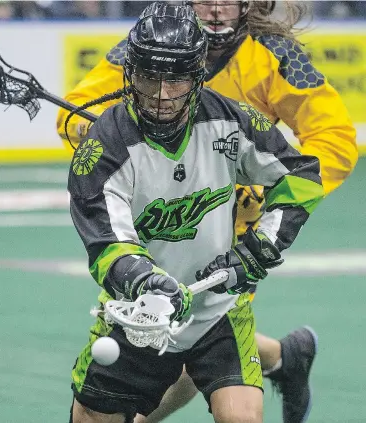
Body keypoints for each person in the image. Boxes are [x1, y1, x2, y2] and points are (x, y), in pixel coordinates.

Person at [58, 1, 358, 422]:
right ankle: (285, 358)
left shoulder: (275, 56)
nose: (215, 10)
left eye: (227, 0)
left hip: (234, 224)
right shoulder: (151, 41)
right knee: (172, 326)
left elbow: (333, 139)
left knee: (205, 324)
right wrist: (106, 140)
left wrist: (269, 211)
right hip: (154, 223)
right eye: (203, 0)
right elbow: (77, 109)